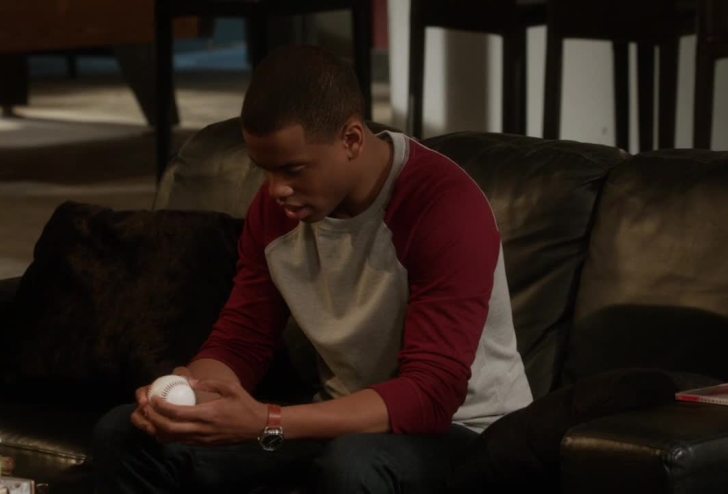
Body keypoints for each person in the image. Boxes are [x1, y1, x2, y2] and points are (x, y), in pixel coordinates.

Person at [92, 44, 532, 493]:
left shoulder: (444, 207)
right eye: (264, 170)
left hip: (466, 431)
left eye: (293, 169)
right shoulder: (278, 210)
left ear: (352, 139)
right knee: (126, 434)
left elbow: (430, 394)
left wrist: (269, 421)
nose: (276, 190)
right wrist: (192, 396)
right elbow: (243, 339)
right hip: (338, 423)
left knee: (355, 464)